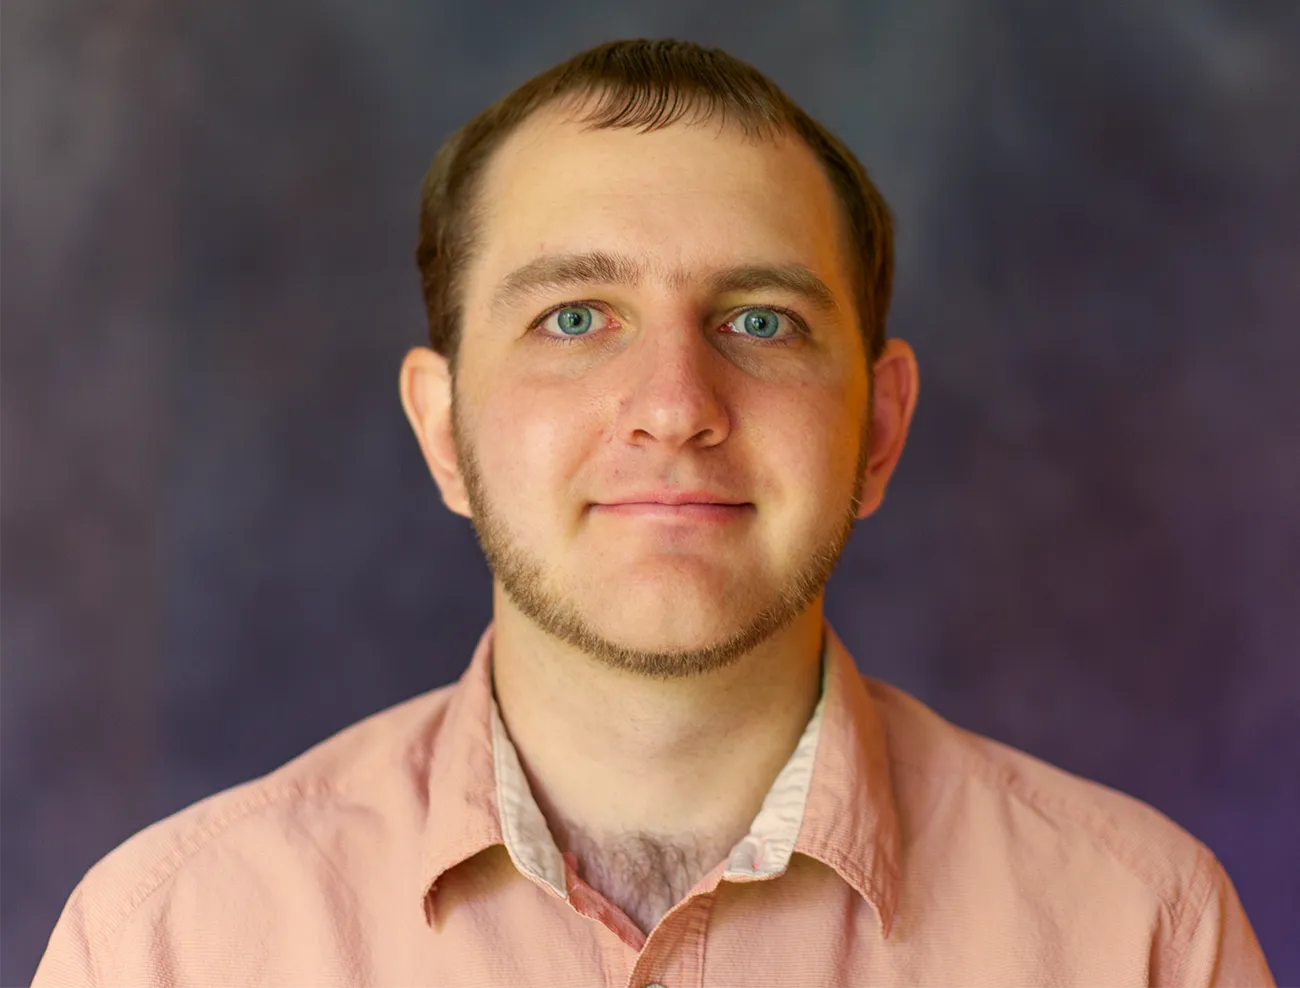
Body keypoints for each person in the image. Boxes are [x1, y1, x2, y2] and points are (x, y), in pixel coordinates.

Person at [33, 38, 1275, 988]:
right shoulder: (169, 943)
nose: (674, 405)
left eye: (759, 320)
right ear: (441, 430)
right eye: (574, 318)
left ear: (880, 427)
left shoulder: (1142, 931)